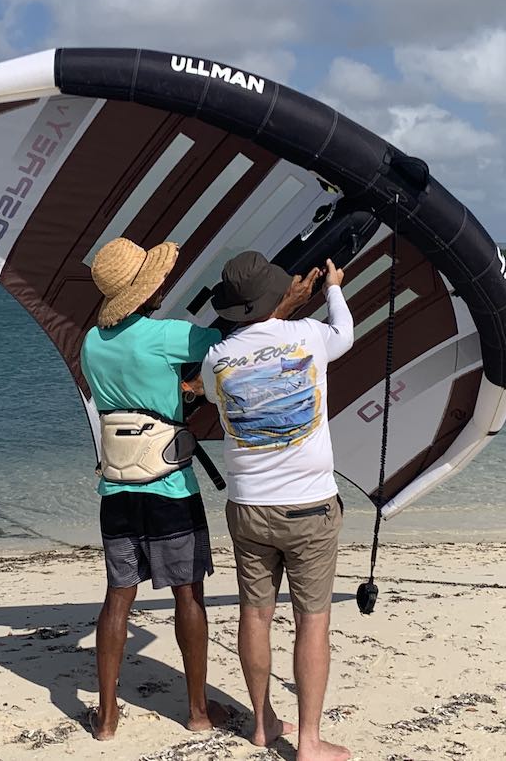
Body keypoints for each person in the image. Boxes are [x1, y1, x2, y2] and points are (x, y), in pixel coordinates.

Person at [200, 251, 354, 761]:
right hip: (308, 505)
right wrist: (332, 287)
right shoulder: (307, 335)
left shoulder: (216, 359)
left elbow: (223, 390)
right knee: (312, 621)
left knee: (256, 614)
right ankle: (308, 742)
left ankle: (263, 722)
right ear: (276, 297)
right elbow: (345, 333)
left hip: (247, 507)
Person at [80, 237, 229, 740]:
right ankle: (197, 711)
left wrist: (176, 388)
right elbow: (227, 348)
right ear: (144, 290)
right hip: (169, 487)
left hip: (117, 490)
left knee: (118, 597)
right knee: (188, 595)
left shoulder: (91, 342)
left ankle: (106, 717)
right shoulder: (166, 335)